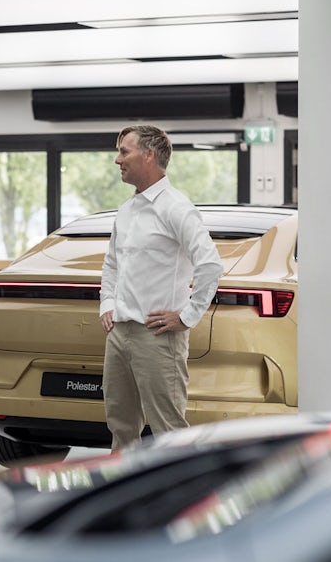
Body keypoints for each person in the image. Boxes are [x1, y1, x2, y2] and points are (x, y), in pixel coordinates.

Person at [99, 124, 224, 450]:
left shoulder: (176, 208)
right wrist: (107, 304)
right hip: (120, 334)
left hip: (156, 337)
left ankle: (181, 499)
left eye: (124, 151)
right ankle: (124, 495)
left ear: (149, 154)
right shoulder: (126, 211)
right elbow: (112, 264)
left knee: (169, 431)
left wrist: (186, 316)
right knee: (121, 428)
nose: (117, 160)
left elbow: (210, 264)